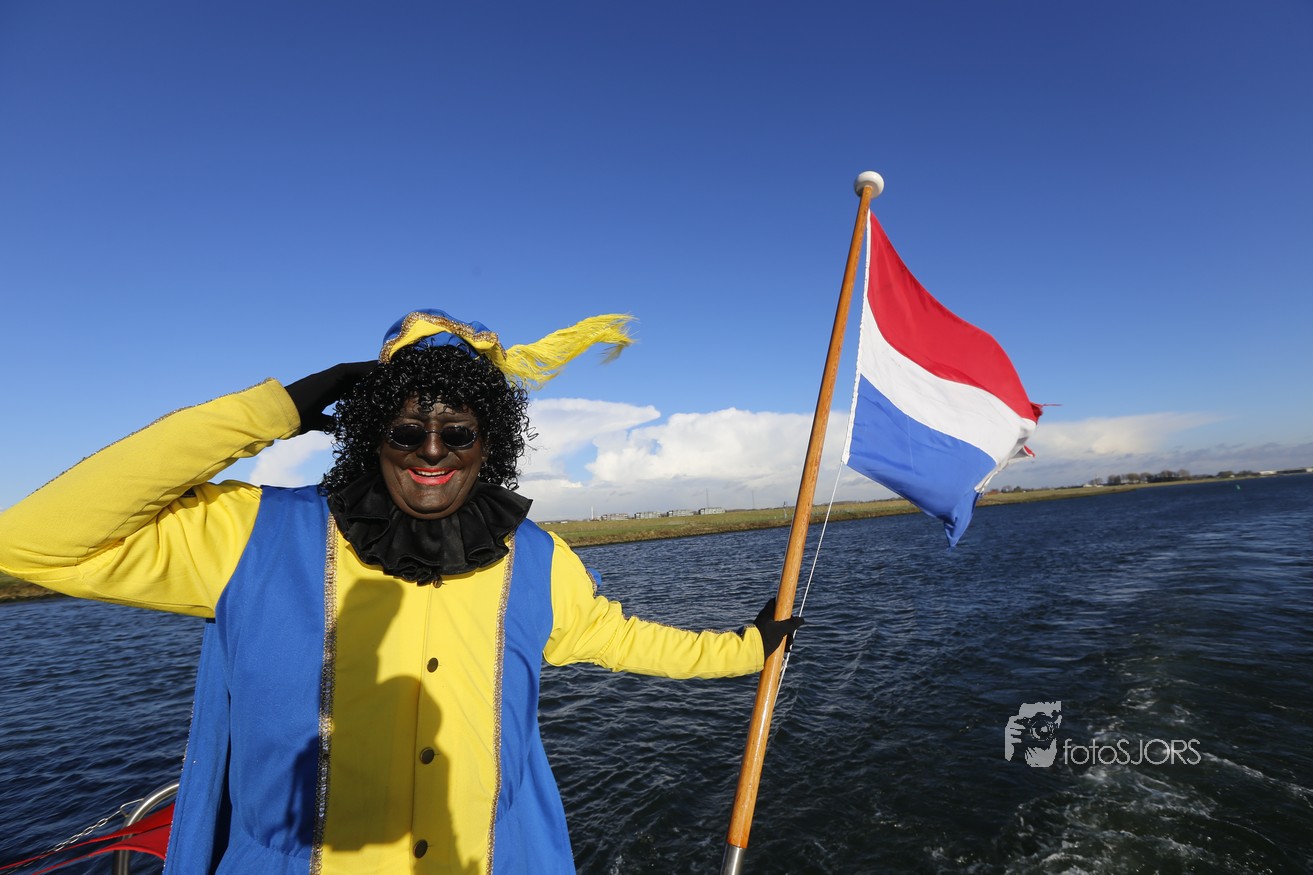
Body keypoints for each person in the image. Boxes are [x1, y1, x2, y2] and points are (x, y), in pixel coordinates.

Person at [0, 309, 802, 875]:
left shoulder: (535, 558)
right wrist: (275, 407)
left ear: (489, 442)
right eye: (406, 428)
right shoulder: (247, 534)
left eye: (458, 432)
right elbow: (32, 540)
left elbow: (625, 638)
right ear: (369, 431)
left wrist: (746, 647)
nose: (431, 451)